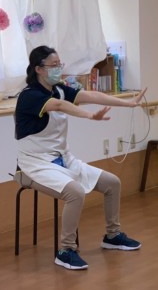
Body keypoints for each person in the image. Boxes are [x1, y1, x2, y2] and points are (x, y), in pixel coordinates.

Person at [15, 45, 146, 270]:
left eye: (60, 64)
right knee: (75, 193)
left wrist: (128, 103)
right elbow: (59, 106)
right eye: (53, 65)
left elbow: (91, 95)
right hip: (33, 166)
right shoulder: (29, 96)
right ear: (39, 69)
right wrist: (90, 116)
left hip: (63, 160)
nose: (58, 69)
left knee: (112, 183)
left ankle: (112, 236)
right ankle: (66, 250)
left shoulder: (59, 89)